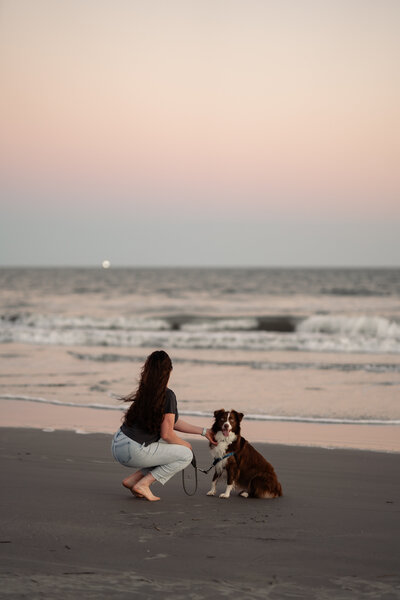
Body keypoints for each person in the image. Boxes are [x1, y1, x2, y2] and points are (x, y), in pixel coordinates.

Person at [111, 350, 216, 501]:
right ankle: (143, 484)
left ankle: (133, 480)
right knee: (185, 455)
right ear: (169, 371)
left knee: (168, 448)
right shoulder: (167, 395)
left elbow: (172, 423)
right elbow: (167, 434)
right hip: (132, 450)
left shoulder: (145, 391)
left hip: (118, 443)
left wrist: (204, 431)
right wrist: (186, 445)